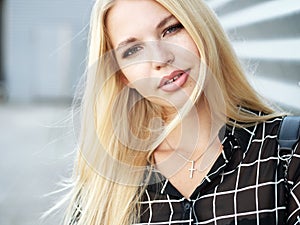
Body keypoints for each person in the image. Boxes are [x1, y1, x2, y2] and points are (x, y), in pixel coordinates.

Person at [58, 0, 300, 224]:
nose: (161, 58)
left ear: (200, 28)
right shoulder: (105, 187)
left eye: (170, 29)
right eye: (133, 51)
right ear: (123, 76)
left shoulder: (286, 153)